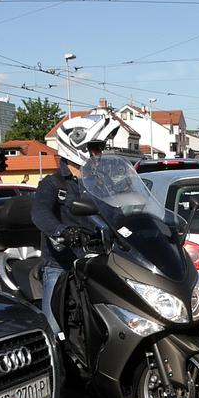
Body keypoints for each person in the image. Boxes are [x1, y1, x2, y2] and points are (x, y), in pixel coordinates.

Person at [31, 113, 120, 343]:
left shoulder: (101, 182)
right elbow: (40, 213)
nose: (99, 153)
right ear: (77, 148)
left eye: (100, 147)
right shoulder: (52, 184)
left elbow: (117, 211)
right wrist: (62, 231)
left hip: (97, 261)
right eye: (95, 147)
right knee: (52, 326)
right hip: (62, 264)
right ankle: (56, 371)